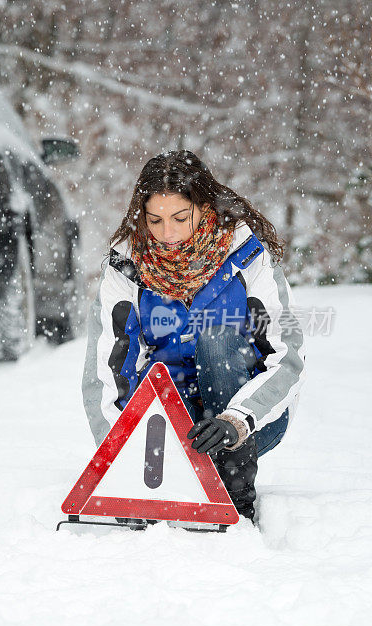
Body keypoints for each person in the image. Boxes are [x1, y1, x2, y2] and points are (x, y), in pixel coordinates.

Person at [82, 150, 306, 521]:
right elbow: (104, 372)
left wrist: (238, 418)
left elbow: (287, 359)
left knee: (216, 336)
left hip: (247, 423)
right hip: (169, 425)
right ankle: (181, 471)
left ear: (204, 208)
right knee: (157, 379)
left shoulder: (249, 259)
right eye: (154, 220)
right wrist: (120, 455)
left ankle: (234, 491)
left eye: (179, 218)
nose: (167, 233)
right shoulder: (124, 270)